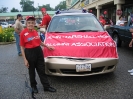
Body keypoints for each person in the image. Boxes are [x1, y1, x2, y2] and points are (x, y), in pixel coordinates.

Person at [20, 16, 56, 93]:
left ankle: (46, 86)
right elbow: (22, 47)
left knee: (41, 70)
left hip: (38, 51)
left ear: (34, 24)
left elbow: (39, 42)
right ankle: (34, 86)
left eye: (32, 23)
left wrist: (47, 46)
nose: (31, 24)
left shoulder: (35, 31)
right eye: (29, 23)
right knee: (32, 71)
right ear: (26, 23)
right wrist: (25, 59)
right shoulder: (23, 33)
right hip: (29, 53)